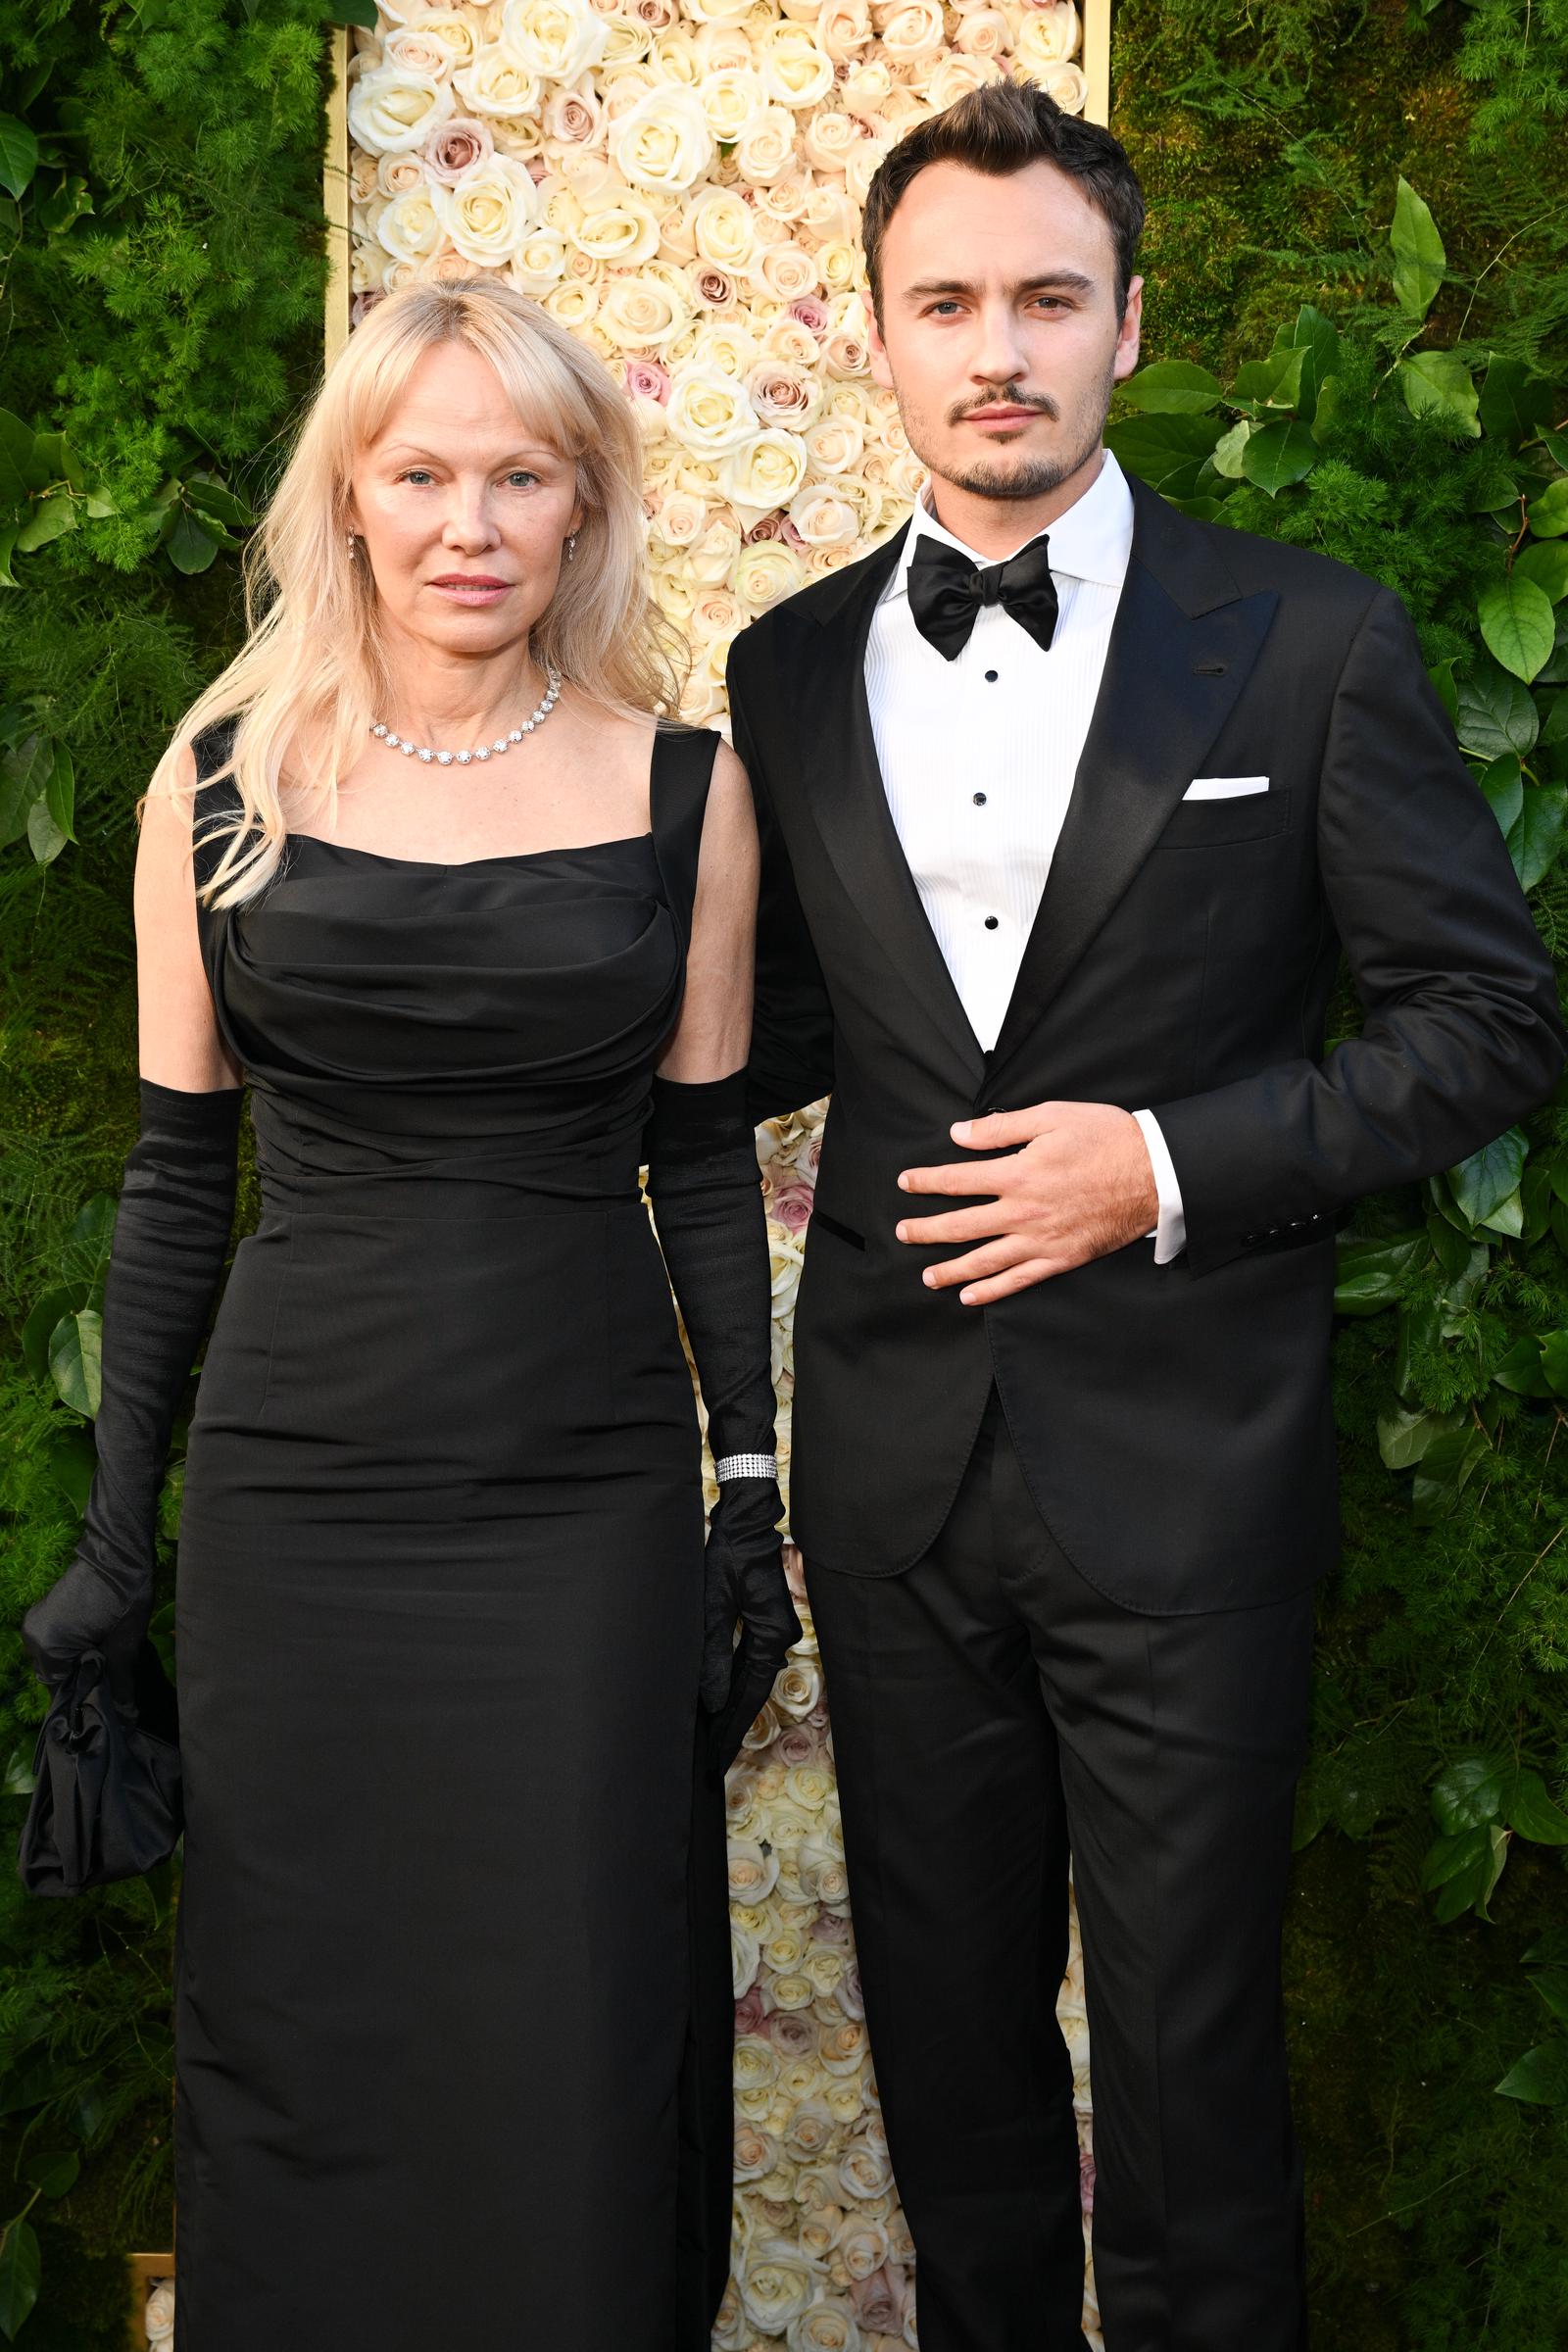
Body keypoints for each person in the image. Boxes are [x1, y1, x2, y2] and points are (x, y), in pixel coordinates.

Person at [726, 82, 1567, 2352]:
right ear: (878, 342)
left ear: (1122, 327)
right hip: (894, 1478)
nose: (992, 347)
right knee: (949, 2085)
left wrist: (1167, 1163)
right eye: (945, 305)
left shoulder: (1300, 639)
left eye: (1041, 299)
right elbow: (778, 1022)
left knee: (1193, 2089)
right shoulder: (783, 668)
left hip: (1186, 1469)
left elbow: (1487, 1019)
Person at [20, 279, 799, 2350]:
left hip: (579, 1500)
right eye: (421, 469)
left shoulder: (680, 789)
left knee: (570, 2001)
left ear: (581, 507)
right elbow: (180, 1173)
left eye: (519, 474)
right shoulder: (222, 771)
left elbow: (702, 1159)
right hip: (302, 1499)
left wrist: (747, 1490)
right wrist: (121, 1536)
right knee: (306, 2003)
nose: (469, 518)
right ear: (348, 496)